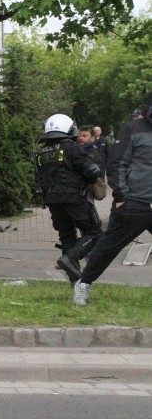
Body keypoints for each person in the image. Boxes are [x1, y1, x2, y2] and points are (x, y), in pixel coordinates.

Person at [73, 94, 152, 305]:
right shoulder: (132, 129)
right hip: (135, 203)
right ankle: (83, 284)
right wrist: (122, 197)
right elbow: (117, 164)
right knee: (108, 247)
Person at [34, 114, 102, 285]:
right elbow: (92, 171)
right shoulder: (71, 147)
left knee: (67, 236)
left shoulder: (41, 151)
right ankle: (70, 258)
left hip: (52, 201)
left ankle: (75, 281)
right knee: (95, 233)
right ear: (68, 128)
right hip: (74, 199)